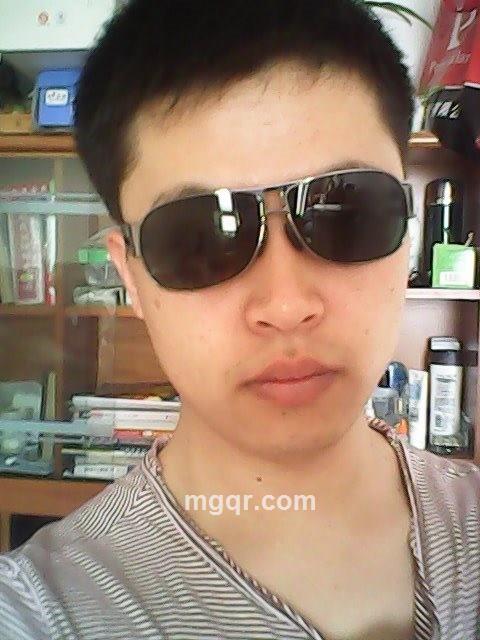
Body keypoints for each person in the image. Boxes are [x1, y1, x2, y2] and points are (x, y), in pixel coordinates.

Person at [1, 1, 479, 639]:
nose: (285, 305)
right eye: (198, 237)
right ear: (131, 277)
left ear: (409, 233)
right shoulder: (41, 612)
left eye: (347, 212)